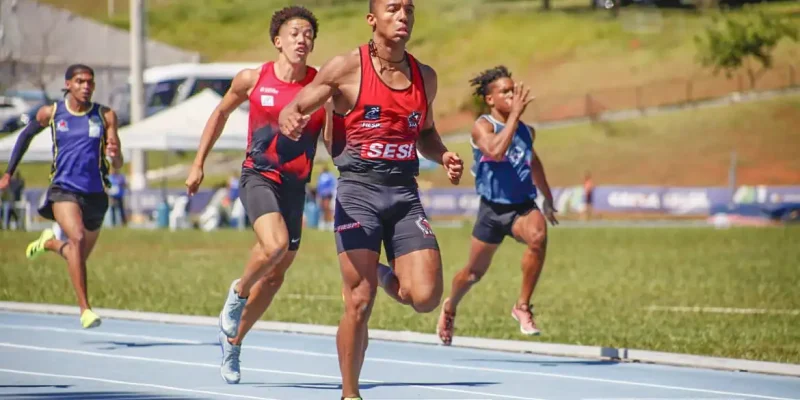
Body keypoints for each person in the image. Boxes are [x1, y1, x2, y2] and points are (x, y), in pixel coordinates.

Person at [278, 1, 464, 399]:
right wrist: (290, 116)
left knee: (426, 297)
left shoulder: (424, 77)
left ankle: (379, 271)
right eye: (393, 9)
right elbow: (297, 105)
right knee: (359, 303)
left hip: (403, 195)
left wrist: (443, 153)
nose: (403, 16)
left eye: (409, 10)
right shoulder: (346, 67)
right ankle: (350, 393)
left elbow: (426, 132)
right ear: (372, 19)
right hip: (358, 191)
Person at [184, 6, 334, 385]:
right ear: (278, 41)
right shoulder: (254, 78)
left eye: (309, 35)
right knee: (275, 246)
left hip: (296, 186)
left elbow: (333, 140)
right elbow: (219, 113)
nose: (303, 40)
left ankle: (233, 340)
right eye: (295, 33)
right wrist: (198, 163)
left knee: (275, 276)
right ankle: (236, 293)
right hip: (258, 175)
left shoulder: (321, 88)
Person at [436, 66, 558, 346]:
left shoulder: (527, 132)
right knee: (472, 274)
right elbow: (495, 150)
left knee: (538, 237)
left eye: (514, 90)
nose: (513, 95)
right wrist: (514, 116)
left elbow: (534, 161)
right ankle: (450, 306)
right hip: (491, 211)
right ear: (490, 100)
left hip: (521, 207)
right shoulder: (483, 126)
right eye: (506, 91)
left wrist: (548, 198)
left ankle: (523, 306)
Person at [0, 64, 123, 329]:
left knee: (76, 256)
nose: (86, 86)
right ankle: (85, 310)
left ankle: (50, 243)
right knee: (76, 238)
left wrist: (115, 155)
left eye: (90, 82)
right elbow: (26, 135)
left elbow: (119, 160)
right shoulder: (53, 113)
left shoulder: (105, 115)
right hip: (63, 190)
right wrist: (9, 172)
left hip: (96, 195)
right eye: (80, 81)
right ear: (68, 84)